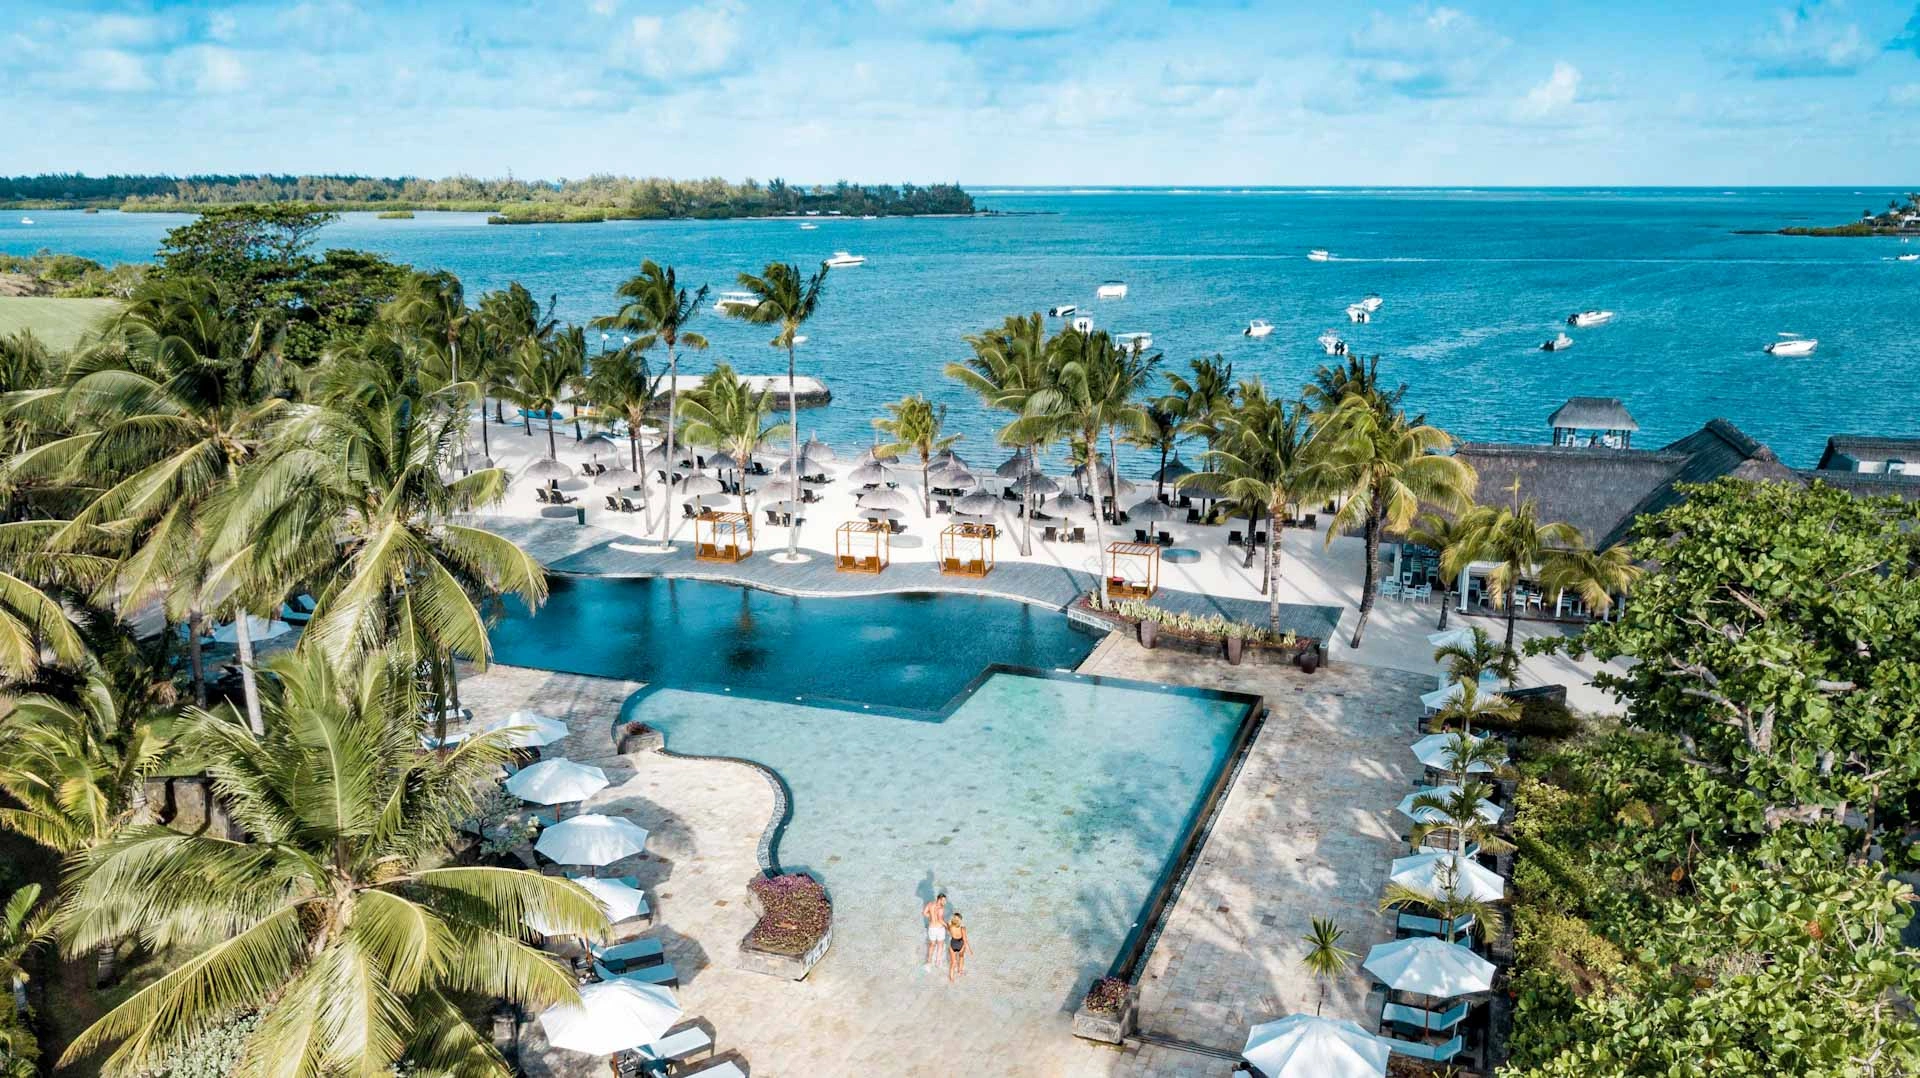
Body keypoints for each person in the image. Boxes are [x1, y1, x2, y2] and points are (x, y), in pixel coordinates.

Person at [922, 892, 948, 970]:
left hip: (931, 928)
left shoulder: (930, 904)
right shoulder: (941, 908)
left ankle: (929, 962)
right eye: (943, 900)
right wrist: (947, 926)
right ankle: (937, 962)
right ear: (939, 899)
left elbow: (924, 913)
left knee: (932, 944)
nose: (944, 902)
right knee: (940, 944)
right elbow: (940, 920)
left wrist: (931, 917)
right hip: (939, 928)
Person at [946, 912, 971, 982]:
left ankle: (951, 979)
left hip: (953, 944)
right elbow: (965, 940)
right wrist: (969, 949)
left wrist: (949, 923)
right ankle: (960, 971)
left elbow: (947, 927)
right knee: (961, 957)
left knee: (953, 962)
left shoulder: (950, 926)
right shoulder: (963, 928)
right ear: (960, 920)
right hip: (960, 944)